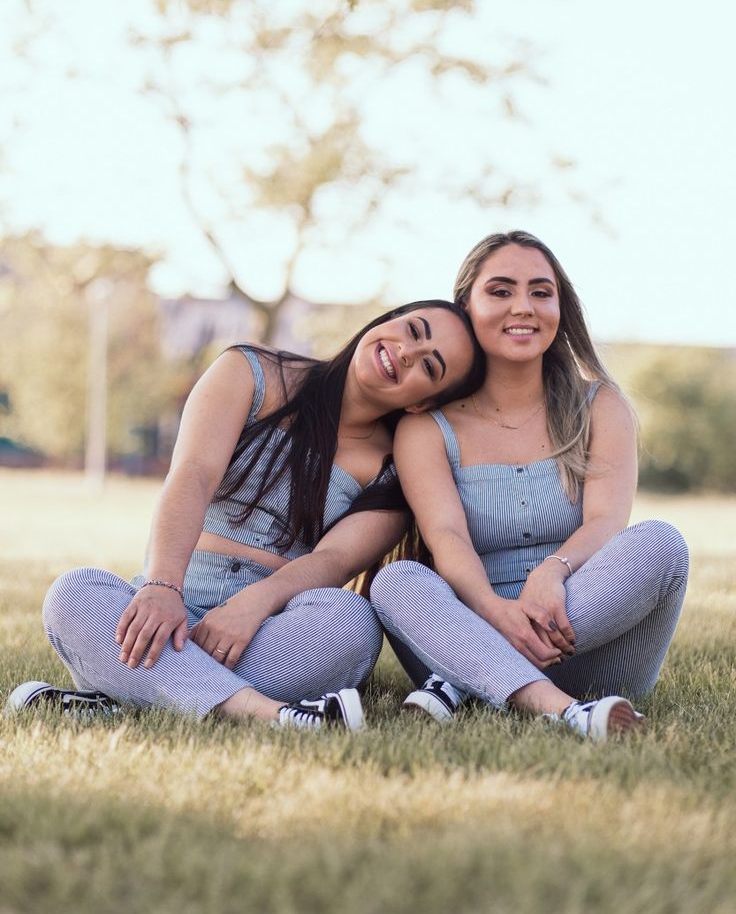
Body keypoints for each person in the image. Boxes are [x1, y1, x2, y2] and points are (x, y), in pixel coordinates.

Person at [7, 300, 485, 732]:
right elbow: (192, 474)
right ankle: (274, 715)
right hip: (170, 599)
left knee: (353, 622)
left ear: (424, 401)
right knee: (73, 595)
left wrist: (252, 605)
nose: (406, 352)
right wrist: (162, 586)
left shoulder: (393, 472)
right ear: (385, 321)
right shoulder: (252, 371)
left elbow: (335, 562)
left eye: (429, 365)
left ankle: (134, 695)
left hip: (268, 628)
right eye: (413, 330)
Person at [371, 232, 689, 740]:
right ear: (467, 308)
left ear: (560, 306)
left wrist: (553, 571)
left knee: (662, 545)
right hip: (469, 622)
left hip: (583, 642)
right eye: (500, 291)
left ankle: (468, 685)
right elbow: (446, 536)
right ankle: (562, 708)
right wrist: (494, 612)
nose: (524, 306)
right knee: (395, 581)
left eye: (541, 292)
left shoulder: (600, 405)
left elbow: (607, 521)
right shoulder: (427, 428)